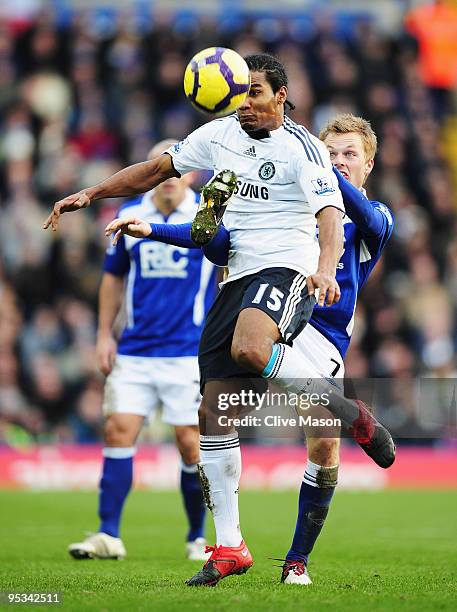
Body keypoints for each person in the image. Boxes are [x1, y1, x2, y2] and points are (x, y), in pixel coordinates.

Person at [45, 54, 392, 586]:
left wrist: (324, 263)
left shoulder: (315, 162)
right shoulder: (221, 137)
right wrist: (98, 195)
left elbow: (334, 219)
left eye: (255, 92)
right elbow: (165, 176)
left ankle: (339, 439)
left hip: (295, 285)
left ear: (281, 96)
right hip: (240, 281)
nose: (244, 102)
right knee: (213, 412)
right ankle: (229, 545)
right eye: (240, 92)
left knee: (262, 363)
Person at [67, 140, 218, 562]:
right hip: (134, 351)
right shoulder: (127, 215)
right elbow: (112, 278)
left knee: (191, 444)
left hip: (188, 352)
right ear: (153, 173)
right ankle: (108, 534)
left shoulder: (208, 214)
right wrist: (103, 335)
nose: (169, 178)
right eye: (161, 169)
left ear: (189, 173)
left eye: (176, 170)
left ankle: (196, 537)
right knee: (118, 431)